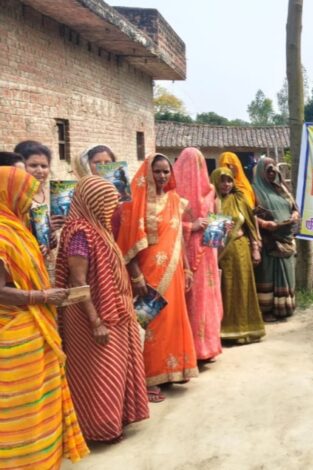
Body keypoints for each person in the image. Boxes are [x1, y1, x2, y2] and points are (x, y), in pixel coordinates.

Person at [0, 167, 89, 467]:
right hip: (14, 336)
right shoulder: (2, 233)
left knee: (39, 408)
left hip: (32, 331)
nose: (29, 204)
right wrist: (42, 297)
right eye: (25, 196)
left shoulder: (16, 228)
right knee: (21, 411)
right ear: (8, 194)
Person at [55, 176, 149, 442]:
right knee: (99, 372)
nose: (114, 208)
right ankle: (99, 429)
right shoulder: (80, 233)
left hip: (112, 312)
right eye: (109, 202)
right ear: (94, 202)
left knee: (116, 369)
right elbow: (78, 281)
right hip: (90, 316)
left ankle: (116, 418)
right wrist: (95, 321)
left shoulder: (99, 229)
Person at [117, 153, 199, 403]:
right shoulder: (135, 202)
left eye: (166, 171)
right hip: (147, 274)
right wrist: (136, 276)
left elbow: (178, 237)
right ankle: (147, 378)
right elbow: (127, 243)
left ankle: (172, 369)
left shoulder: (174, 199)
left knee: (173, 320)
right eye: (157, 171)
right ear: (147, 173)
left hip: (173, 272)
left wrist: (187, 268)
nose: (162, 176)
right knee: (149, 323)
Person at [173, 147, 224, 361]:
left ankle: (208, 346)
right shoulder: (172, 193)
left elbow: (215, 217)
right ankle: (190, 349)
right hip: (183, 253)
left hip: (208, 252)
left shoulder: (210, 191)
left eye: (199, 164)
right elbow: (166, 224)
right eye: (190, 164)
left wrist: (220, 227)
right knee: (191, 297)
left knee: (208, 297)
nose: (195, 169)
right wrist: (190, 226)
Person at [211, 167, 265, 342]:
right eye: (222, 180)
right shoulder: (212, 202)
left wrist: (255, 248)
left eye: (229, 180)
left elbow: (250, 225)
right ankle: (225, 331)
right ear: (215, 181)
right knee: (225, 289)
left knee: (242, 288)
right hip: (221, 254)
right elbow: (213, 237)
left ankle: (245, 330)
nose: (226, 184)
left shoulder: (239, 198)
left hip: (241, 251)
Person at [252, 156, 299, 322]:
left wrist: (294, 215)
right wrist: (264, 224)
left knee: (287, 272)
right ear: (260, 172)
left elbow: (294, 207)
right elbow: (248, 214)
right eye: (268, 171)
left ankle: (284, 308)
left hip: (286, 238)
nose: (272, 174)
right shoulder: (254, 191)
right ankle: (267, 310)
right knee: (268, 275)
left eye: (274, 171)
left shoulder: (282, 189)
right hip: (268, 241)